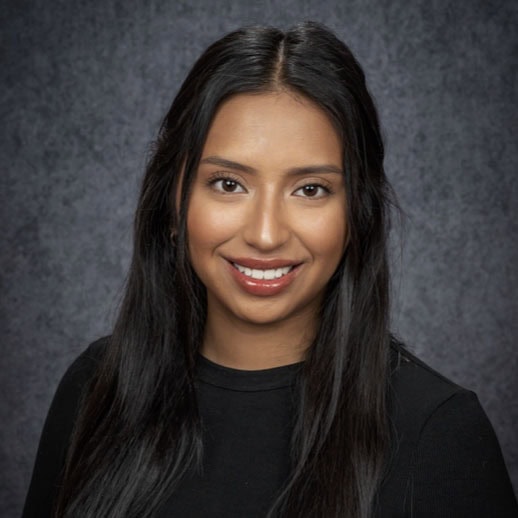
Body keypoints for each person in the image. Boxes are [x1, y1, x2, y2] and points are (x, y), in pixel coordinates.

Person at [22, 22, 517, 518]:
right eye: (228, 183)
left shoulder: (440, 430)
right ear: (173, 201)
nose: (265, 234)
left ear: (357, 216)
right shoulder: (96, 389)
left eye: (310, 189)